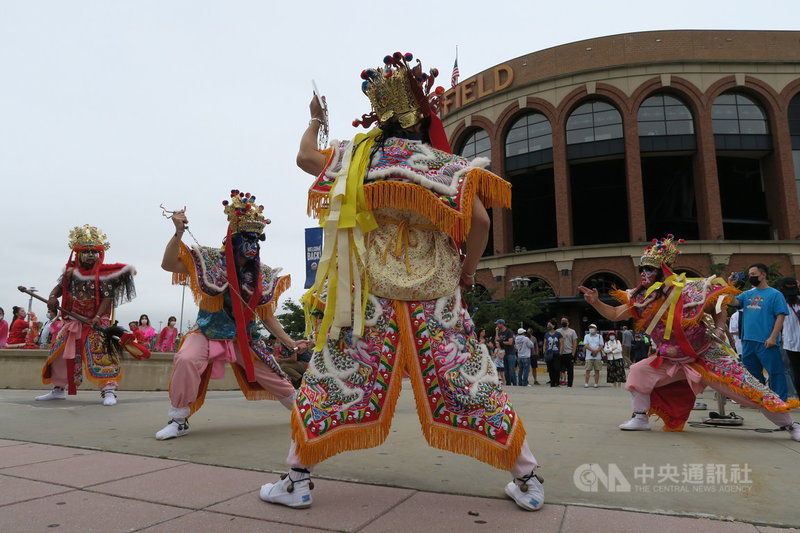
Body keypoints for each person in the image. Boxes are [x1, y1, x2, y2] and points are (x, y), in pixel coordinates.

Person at [260, 52, 543, 512]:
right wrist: (467, 272)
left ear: (381, 118)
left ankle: (297, 480)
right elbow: (480, 224)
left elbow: (305, 157)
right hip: (437, 297)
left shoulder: (357, 158)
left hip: (369, 295)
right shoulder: (448, 165)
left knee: (333, 378)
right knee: (471, 380)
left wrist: (315, 120)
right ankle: (527, 478)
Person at [579, 235, 799, 440]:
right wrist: (596, 303)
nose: (645, 272)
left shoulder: (690, 289)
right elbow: (615, 314)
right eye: (642, 268)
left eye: (650, 268)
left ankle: (792, 426)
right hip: (670, 359)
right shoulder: (641, 298)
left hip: (707, 356)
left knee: (748, 390)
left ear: (663, 270)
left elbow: (718, 304)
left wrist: (720, 327)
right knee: (638, 371)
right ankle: (640, 417)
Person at [156, 191, 302, 440]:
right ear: (233, 240)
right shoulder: (211, 261)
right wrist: (179, 232)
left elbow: (266, 315)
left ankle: (304, 416)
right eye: (247, 240)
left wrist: (289, 342)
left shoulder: (261, 275)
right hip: (207, 332)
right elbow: (168, 264)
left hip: (243, 338)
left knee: (277, 377)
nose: (253, 246)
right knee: (186, 359)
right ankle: (178, 419)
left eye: (257, 240)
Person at [38, 225, 137, 406]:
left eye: (94, 252)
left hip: (95, 322)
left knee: (102, 353)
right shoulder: (70, 272)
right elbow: (60, 288)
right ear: (78, 254)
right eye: (87, 252)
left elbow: (107, 298)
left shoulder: (103, 275)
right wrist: (52, 297)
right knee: (59, 354)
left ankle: (109, 391)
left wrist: (97, 318)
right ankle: (58, 389)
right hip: (73, 320)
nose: (91, 255)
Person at [729, 263, 790, 401]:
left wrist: (773, 337)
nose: (751, 277)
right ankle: (758, 398)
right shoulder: (747, 294)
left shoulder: (775, 294)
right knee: (752, 373)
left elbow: (780, 316)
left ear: (763, 275)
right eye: (749, 275)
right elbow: (732, 302)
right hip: (748, 341)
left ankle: (779, 400)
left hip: (766, 341)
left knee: (775, 372)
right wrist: (730, 286)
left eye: (753, 274)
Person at [778, 277, 800, 397]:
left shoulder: (780, 303)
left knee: (794, 371)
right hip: (790, 342)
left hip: (789, 343)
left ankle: (794, 395)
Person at [496, 319, 517, 386]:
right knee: (506, 370)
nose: (497, 325)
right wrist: (496, 331)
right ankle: (508, 383)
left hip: (510, 352)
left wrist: (502, 342)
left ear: (502, 324)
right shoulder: (500, 333)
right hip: (504, 353)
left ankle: (514, 383)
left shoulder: (508, 331)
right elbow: (497, 340)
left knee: (511, 369)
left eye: (498, 324)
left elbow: (510, 342)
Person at [558, 317, 577, 387]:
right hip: (560, 353)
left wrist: (573, 353)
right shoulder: (557, 331)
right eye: (562, 321)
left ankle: (569, 384)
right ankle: (558, 382)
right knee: (558, 369)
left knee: (570, 370)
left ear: (568, 322)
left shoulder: (572, 331)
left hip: (569, 353)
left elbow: (574, 343)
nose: (563, 322)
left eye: (565, 321)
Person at [582, 324, 603, 388]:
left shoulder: (599, 336)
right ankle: (586, 383)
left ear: (596, 329)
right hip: (589, 356)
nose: (591, 329)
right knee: (587, 370)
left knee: (597, 370)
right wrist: (592, 351)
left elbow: (601, 345)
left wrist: (596, 351)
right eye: (590, 328)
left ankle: (596, 383)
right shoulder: (586, 336)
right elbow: (586, 345)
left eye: (592, 328)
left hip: (598, 356)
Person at [542, 321, 562, 387]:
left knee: (556, 368)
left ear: (553, 326)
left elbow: (561, 344)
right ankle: (552, 382)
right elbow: (545, 344)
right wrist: (544, 352)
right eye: (547, 325)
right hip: (549, 353)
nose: (548, 326)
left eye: (549, 325)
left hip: (556, 353)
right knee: (550, 369)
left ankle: (557, 382)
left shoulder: (558, 334)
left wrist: (560, 352)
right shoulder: (546, 334)